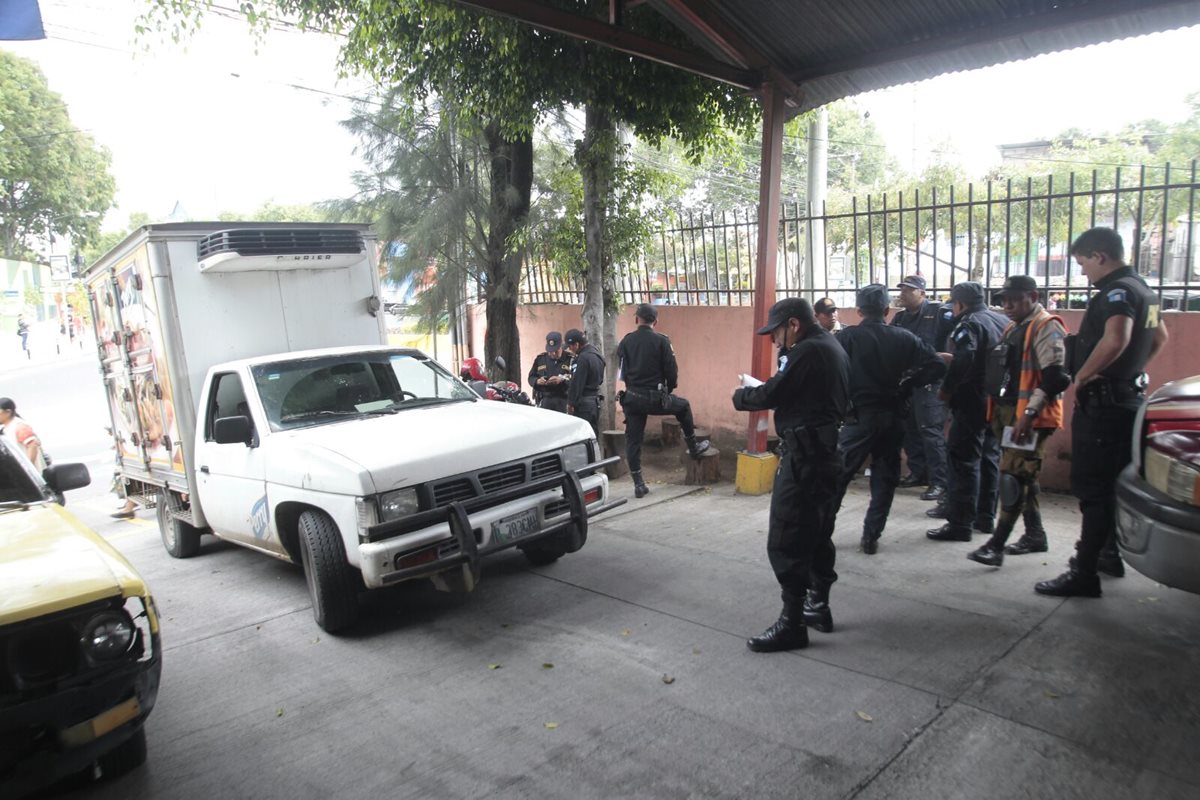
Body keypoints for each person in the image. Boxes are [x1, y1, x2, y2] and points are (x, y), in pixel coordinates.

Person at [1035, 227, 1168, 597]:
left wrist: (1086, 375)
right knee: (1112, 484)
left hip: (1105, 406)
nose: (1082, 273)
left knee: (1093, 488)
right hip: (1128, 400)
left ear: (1100, 256)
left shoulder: (1117, 291)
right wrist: (1133, 373)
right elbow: (1160, 339)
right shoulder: (1144, 289)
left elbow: (1117, 337)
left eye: (1082, 263)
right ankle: (1108, 554)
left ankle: (1084, 572)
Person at [732, 298, 849, 652]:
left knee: (786, 537)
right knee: (815, 533)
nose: (775, 341)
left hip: (806, 458)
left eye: (777, 333)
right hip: (824, 453)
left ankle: (792, 622)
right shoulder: (829, 345)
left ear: (794, 324)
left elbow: (774, 391)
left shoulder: (808, 350)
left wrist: (741, 396)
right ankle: (818, 606)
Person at [832, 285, 946, 558]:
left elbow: (829, 372)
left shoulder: (846, 338)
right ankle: (871, 537)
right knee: (884, 481)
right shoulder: (905, 338)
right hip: (893, 419)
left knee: (836, 477)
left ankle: (821, 532)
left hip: (858, 419)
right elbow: (937, 365)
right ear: (886, 310)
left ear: (859, 311)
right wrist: (908, 384)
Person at [967, 276, 1070, 567]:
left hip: (1029, 417)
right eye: (1004, 300)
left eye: (1014, 299)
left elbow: (1057, 377)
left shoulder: (1046, 325)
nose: (1007, 305)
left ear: (1033, 295)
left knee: (1013, 478)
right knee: (1024, 476)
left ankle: (995, 545)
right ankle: (1035, 535)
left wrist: (1029, 415)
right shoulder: (1014, 327)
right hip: (1009, 413)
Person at [926, 282, 1009, 544]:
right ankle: (985, 517)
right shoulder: (1002, 320)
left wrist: (947, 390)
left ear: (959, 303)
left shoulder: (969, 323)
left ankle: (960, 523)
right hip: (996, 400)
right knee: (990, 456)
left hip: (971, 399)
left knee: (963, 460)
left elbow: (965, 357)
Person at [617, 303, 710, 498]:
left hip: (632, 399)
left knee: (633, 440)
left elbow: (622, 373)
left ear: (636, 320)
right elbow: (671, 371)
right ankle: (694, 448)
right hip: (655, 399)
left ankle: (638, 483)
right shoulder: (662, 341)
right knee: (683, 406)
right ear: (656, 321)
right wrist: (669, 389)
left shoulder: (626, 342)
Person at [891, 275, 954, 500]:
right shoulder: (899, 318)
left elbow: (954, 338)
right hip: (908, 381)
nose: (904, 294)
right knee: (910, 428)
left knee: (930, 430)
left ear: (922, 293)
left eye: (909, 290)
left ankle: (940, 481)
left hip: (932, 381)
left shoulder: (939, 314)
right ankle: (918, 472)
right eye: (902, 290)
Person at [565, 328, 605, 437]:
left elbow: (577, 383)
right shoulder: (597, 354)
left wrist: (571, 402)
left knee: (583, 434)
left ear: (576, 344)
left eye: (570, 346)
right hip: (594, 401)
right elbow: (600, 379)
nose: (570, 349)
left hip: (584, 403)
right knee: (593, 433)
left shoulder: (582, 358)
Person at [527, 331, 574, 413]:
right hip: (544, 401)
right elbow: (531, 377)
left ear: (561, 347)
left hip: (563, 401)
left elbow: (576, 380)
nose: (553, 353)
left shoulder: (570, 359)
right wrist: (537, 381)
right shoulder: (540, 359)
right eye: (550, 351)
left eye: (556, 350)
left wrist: (562, 380)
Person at [0, 397, 46, 471]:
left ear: (8, 412)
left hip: (30, 477)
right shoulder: (6, 428)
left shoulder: (19, 426)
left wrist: (28, 468)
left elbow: (32, 445)